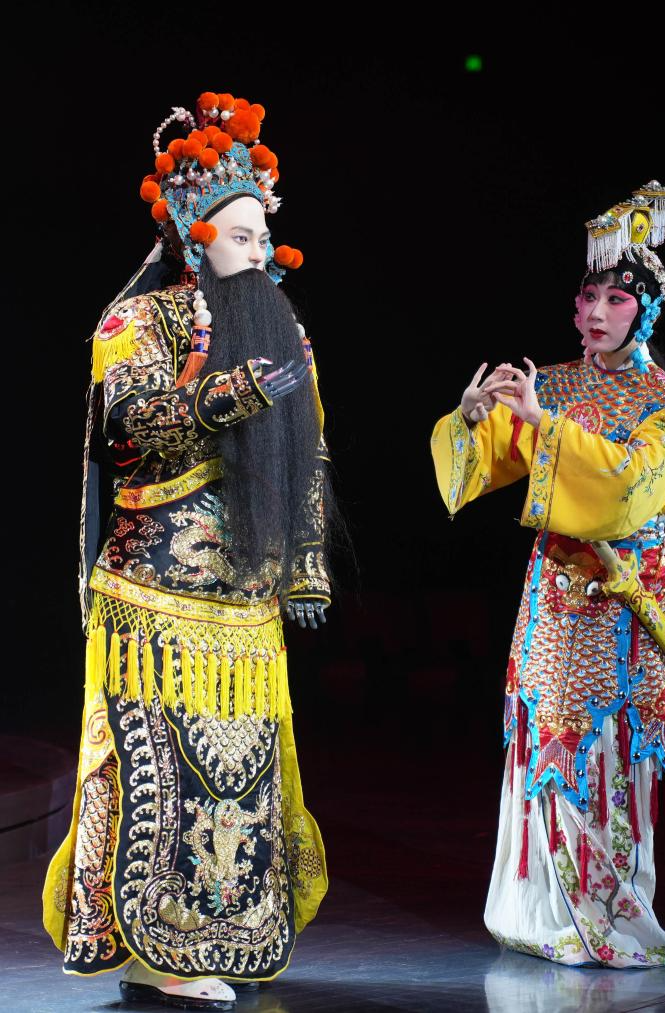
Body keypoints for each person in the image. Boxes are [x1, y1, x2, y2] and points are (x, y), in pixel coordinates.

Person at [42, 91, 334, 1009]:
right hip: (153, 596)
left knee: (237, 781)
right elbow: (132, 427)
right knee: (153, 774)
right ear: (193, 237)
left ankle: (221, 936)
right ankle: (155, 951)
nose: (261, 252)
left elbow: (310, 455)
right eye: (242, 236)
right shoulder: (134, 325)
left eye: (264, 236)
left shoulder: (284, 332)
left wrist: (306, 565)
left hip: (245, 606)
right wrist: (228, 394)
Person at [431, 183, 665, 968]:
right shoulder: (551, 383)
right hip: (557, 593)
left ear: (645, 311)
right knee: (550, 739)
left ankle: (610, 910)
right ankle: (539, 909)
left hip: (627, 598)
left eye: (616, 297)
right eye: (589, 295)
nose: (596, 309)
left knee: (612, 748)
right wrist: (474, 419)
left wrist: (544, 425)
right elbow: (488, 464)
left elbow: (627, 490)